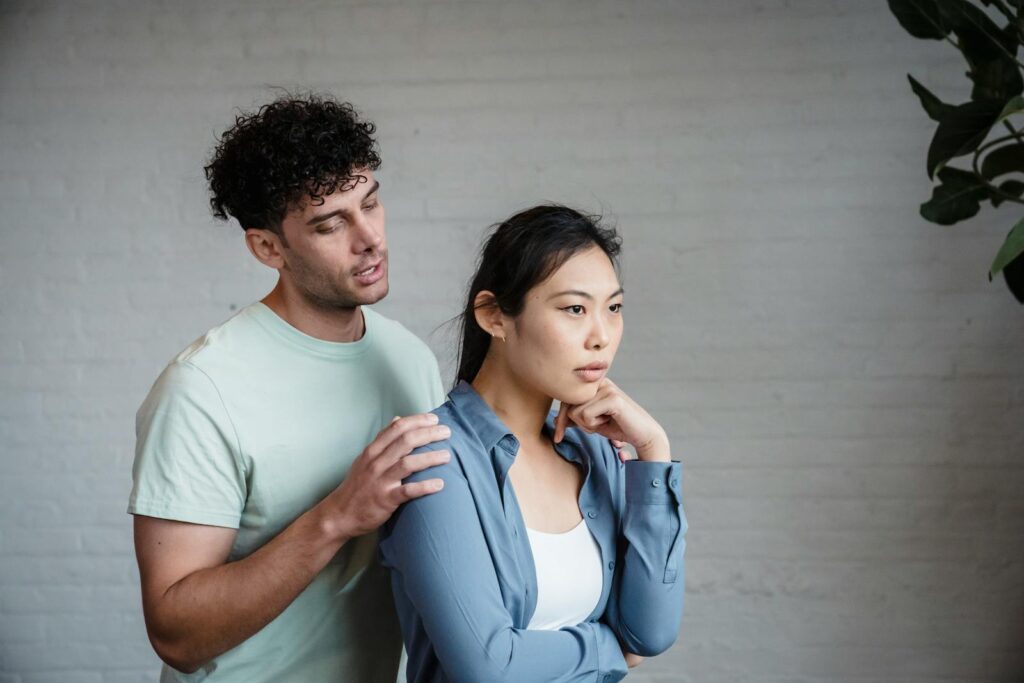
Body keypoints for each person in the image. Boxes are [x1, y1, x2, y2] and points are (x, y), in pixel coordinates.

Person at [128, 94, 451, 682]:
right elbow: (175, 634)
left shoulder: (408, 359)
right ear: (268, 247)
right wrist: (336, 517)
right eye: (331, 224)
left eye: (370, 204)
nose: (370, 238)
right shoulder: (202, 389)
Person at [379, 205, 687, 682]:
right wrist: (609, 648)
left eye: (614, 308)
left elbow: (651, 633)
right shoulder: (434, 460)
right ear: (494, 316)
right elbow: (489, 668)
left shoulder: (594, 452)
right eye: (574, 309)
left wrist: (653, 450)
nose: (601, 337)